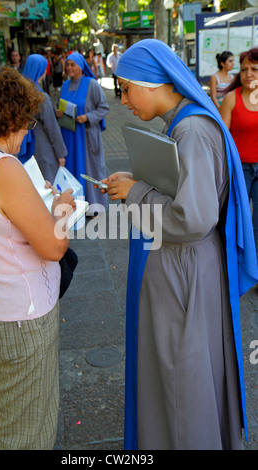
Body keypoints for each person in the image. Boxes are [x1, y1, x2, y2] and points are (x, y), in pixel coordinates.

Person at [101, 39, 258, 450]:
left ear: (151, 83)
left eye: (125, 88)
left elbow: (192, 217)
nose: (123, 100)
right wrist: (137, 186)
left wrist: (136, 193)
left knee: (180, 375)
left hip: (182, 268)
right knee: (183, 370)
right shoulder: (186, 123)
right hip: (186, 265)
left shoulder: (191, 130)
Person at [0, 62, 76, 450]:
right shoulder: (2, 167)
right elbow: (54, 246)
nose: (27, 130)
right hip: (18, 318)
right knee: (27, 431)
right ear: (6, 116)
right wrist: (62, 206)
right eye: (27, 121)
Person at [56, 52, 109, 216]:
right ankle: (75, 205)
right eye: (68, 65)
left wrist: (88, 117)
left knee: (90, 169)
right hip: (69, 136)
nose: (70, 68)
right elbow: (62, 105)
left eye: (73, 65)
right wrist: (58, 112)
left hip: (86, 137)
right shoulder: (64, 85)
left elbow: (103, 108)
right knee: (72, 169)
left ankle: (94, 207)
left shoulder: (91, 84)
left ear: (81, 66)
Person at [220, 48, 258, 264]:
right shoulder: (231, 99)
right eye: (244, 69)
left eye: (254, 69)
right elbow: (222, 139)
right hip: (239, 169)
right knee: (238, 220)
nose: (248, 74)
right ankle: (237, 264)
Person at [22, 54, 67, 182]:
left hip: (23, 146)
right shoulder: (41, 97)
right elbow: (52, 128)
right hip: (42, 148)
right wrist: (61, 154)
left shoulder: (19, 93)